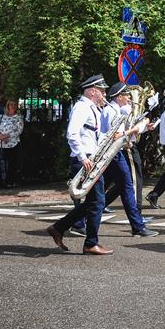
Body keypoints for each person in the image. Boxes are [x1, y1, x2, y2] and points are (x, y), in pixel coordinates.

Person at [46, 74, 113, 255]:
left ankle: (59, 228)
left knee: (92, 202)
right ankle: (90, 243)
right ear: (92, 91)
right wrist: (83, 157)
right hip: (85, 160)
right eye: (102, 91)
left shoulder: (92, 108)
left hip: (92, 158)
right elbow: (72, 134)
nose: (105, 95)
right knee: (98, 201)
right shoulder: (81, 108)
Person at [99, 82, 158, 238]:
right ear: (119, 97)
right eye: (126, 95)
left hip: (118, 151)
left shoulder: (115, 110)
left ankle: (79, 220)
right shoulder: (113, 111)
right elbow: (118, 135)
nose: (129, 98)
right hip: (120, 150)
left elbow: (125, 132)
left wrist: (143, 127)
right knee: (131, 185)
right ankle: (138, 223)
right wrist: (138, 127)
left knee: (120, 187)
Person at [0, 99, 24, 188]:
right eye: (11, 105)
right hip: (1, 144)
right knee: (0, 164)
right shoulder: (1, 117)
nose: (13, 106)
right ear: (7, 106)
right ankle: (1, 182)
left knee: (12, 164)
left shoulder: (18, 117)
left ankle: (10, 182)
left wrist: (8, 135)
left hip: (13, 144)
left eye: (14, 105)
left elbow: (19, 130)